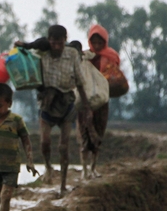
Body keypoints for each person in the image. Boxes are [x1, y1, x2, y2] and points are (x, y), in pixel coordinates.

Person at [16, 25, 92, 196]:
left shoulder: (72, 54)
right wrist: (22, 46)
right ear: (49, 41)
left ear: (65, 40)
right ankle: (48, 167)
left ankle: (63, 184)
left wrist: (86, 106)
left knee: (64, 146)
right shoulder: (42, 52)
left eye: (59, 43)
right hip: (47, 103)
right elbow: (29, 55)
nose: (56, 47)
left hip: (66, 102)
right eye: (53, 43)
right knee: (45, 142)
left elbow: (80, 82)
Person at [0, 83, 38, 211]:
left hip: (11, 166)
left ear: (9, 104)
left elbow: (26, 140)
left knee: (5, 196)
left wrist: (30, 161)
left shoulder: (16, 120)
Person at [79, 24, 121, 178]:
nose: (96, 45)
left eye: (100, 42)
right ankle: (84, 170)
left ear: (105, 41)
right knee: (84, 135)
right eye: (94, 42)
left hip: (102, 101)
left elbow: (114, 76)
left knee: (98, 134)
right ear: (90, 41)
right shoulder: (84, 57)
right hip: (85, 102)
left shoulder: (111, 57)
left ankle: (93, 168)